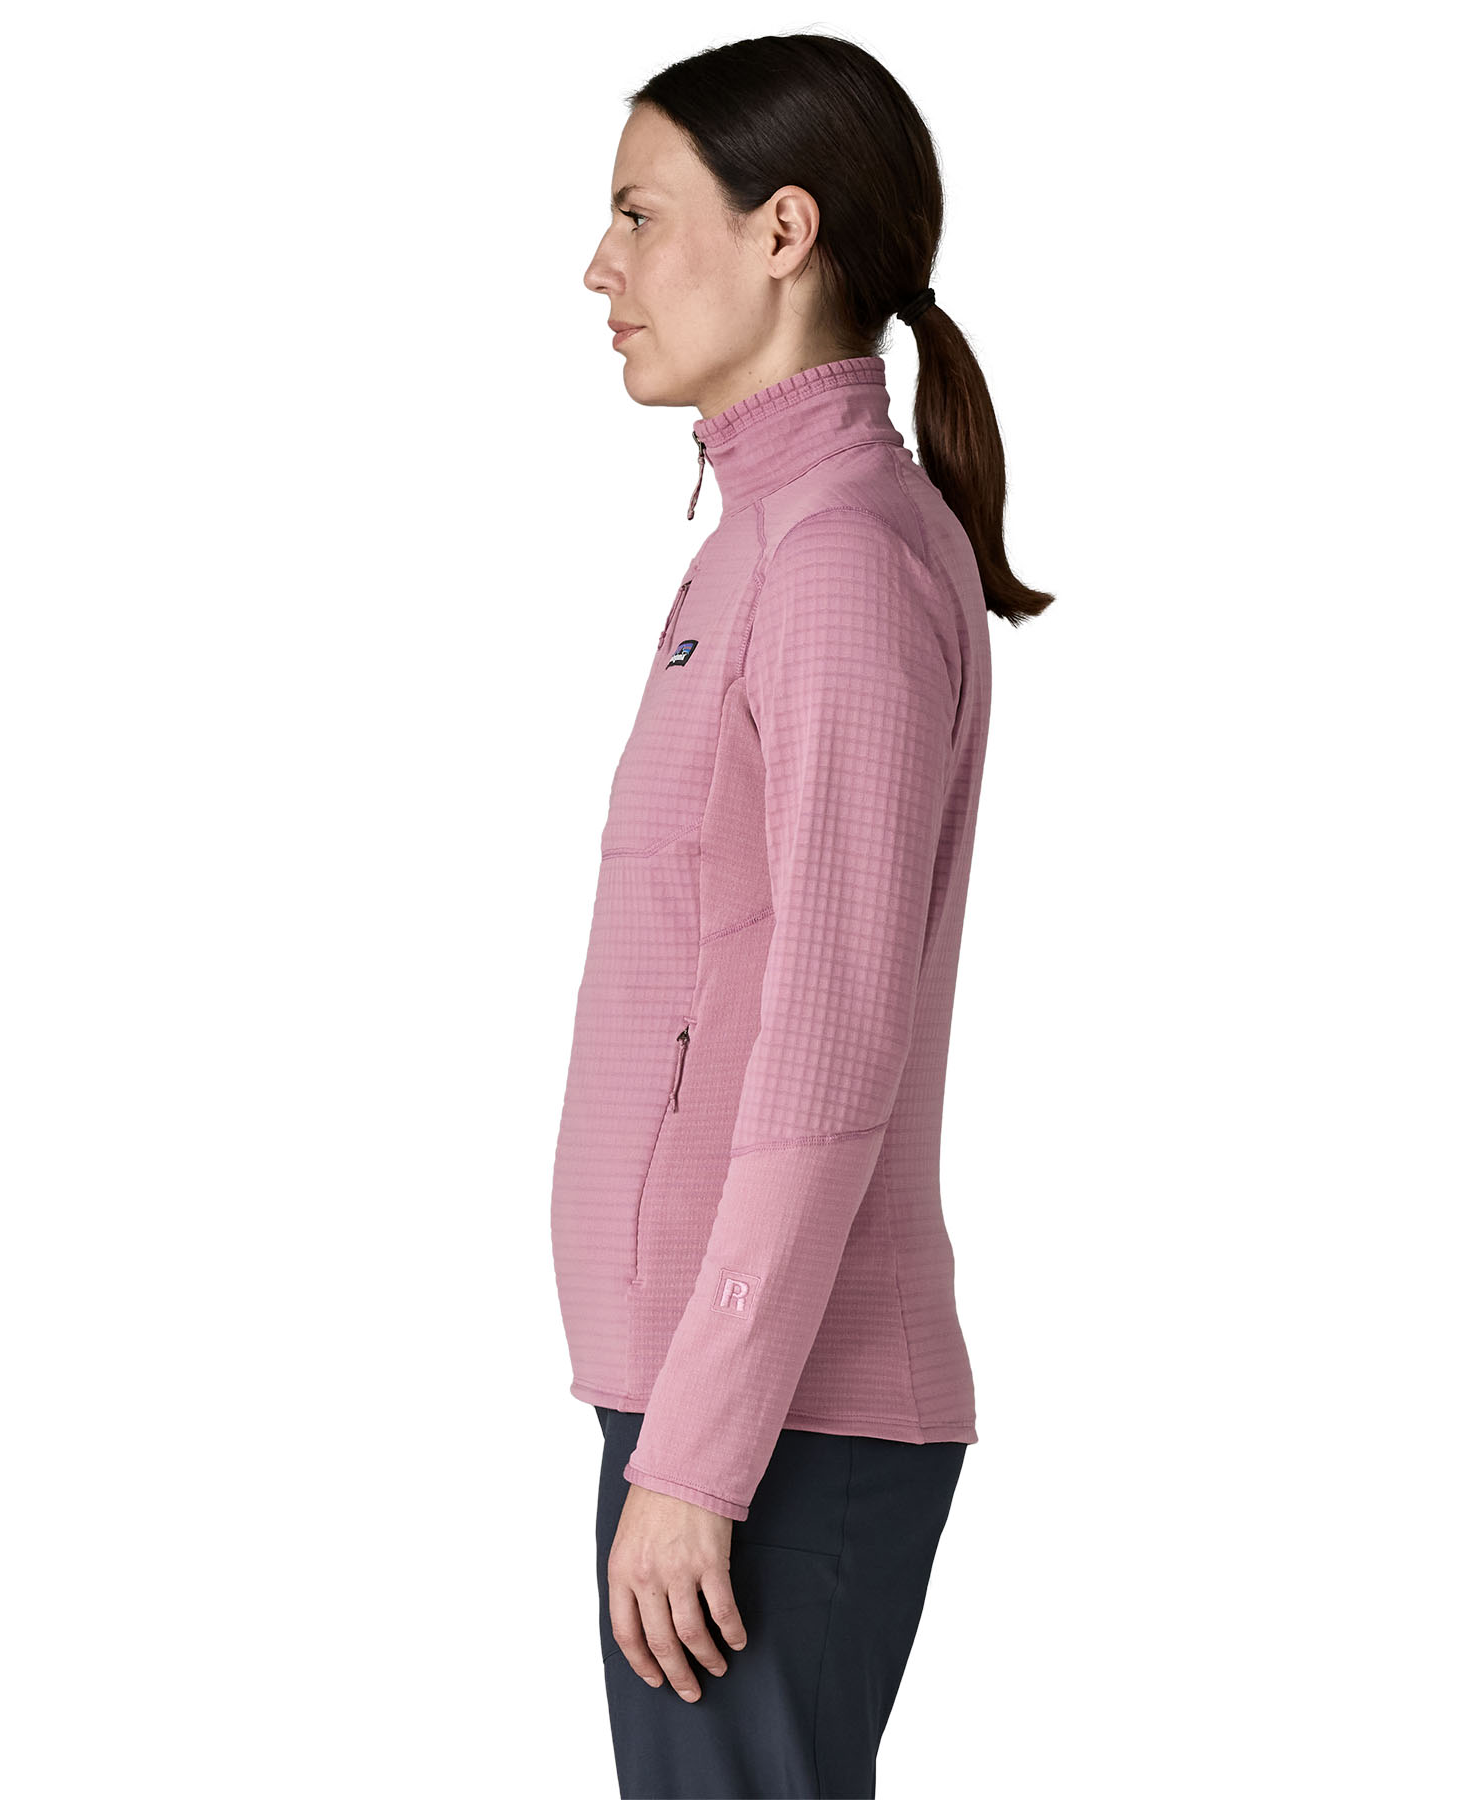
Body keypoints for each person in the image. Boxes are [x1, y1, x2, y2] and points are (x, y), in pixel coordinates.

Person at [555, 32, 1054, 1799]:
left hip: (770, 1420)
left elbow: (828, 1046)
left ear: (783, 232)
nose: (598, 267)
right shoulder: (765, 538)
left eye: (638, 213)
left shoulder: (838, 559)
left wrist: (697, 1459)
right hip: (725, 1399)